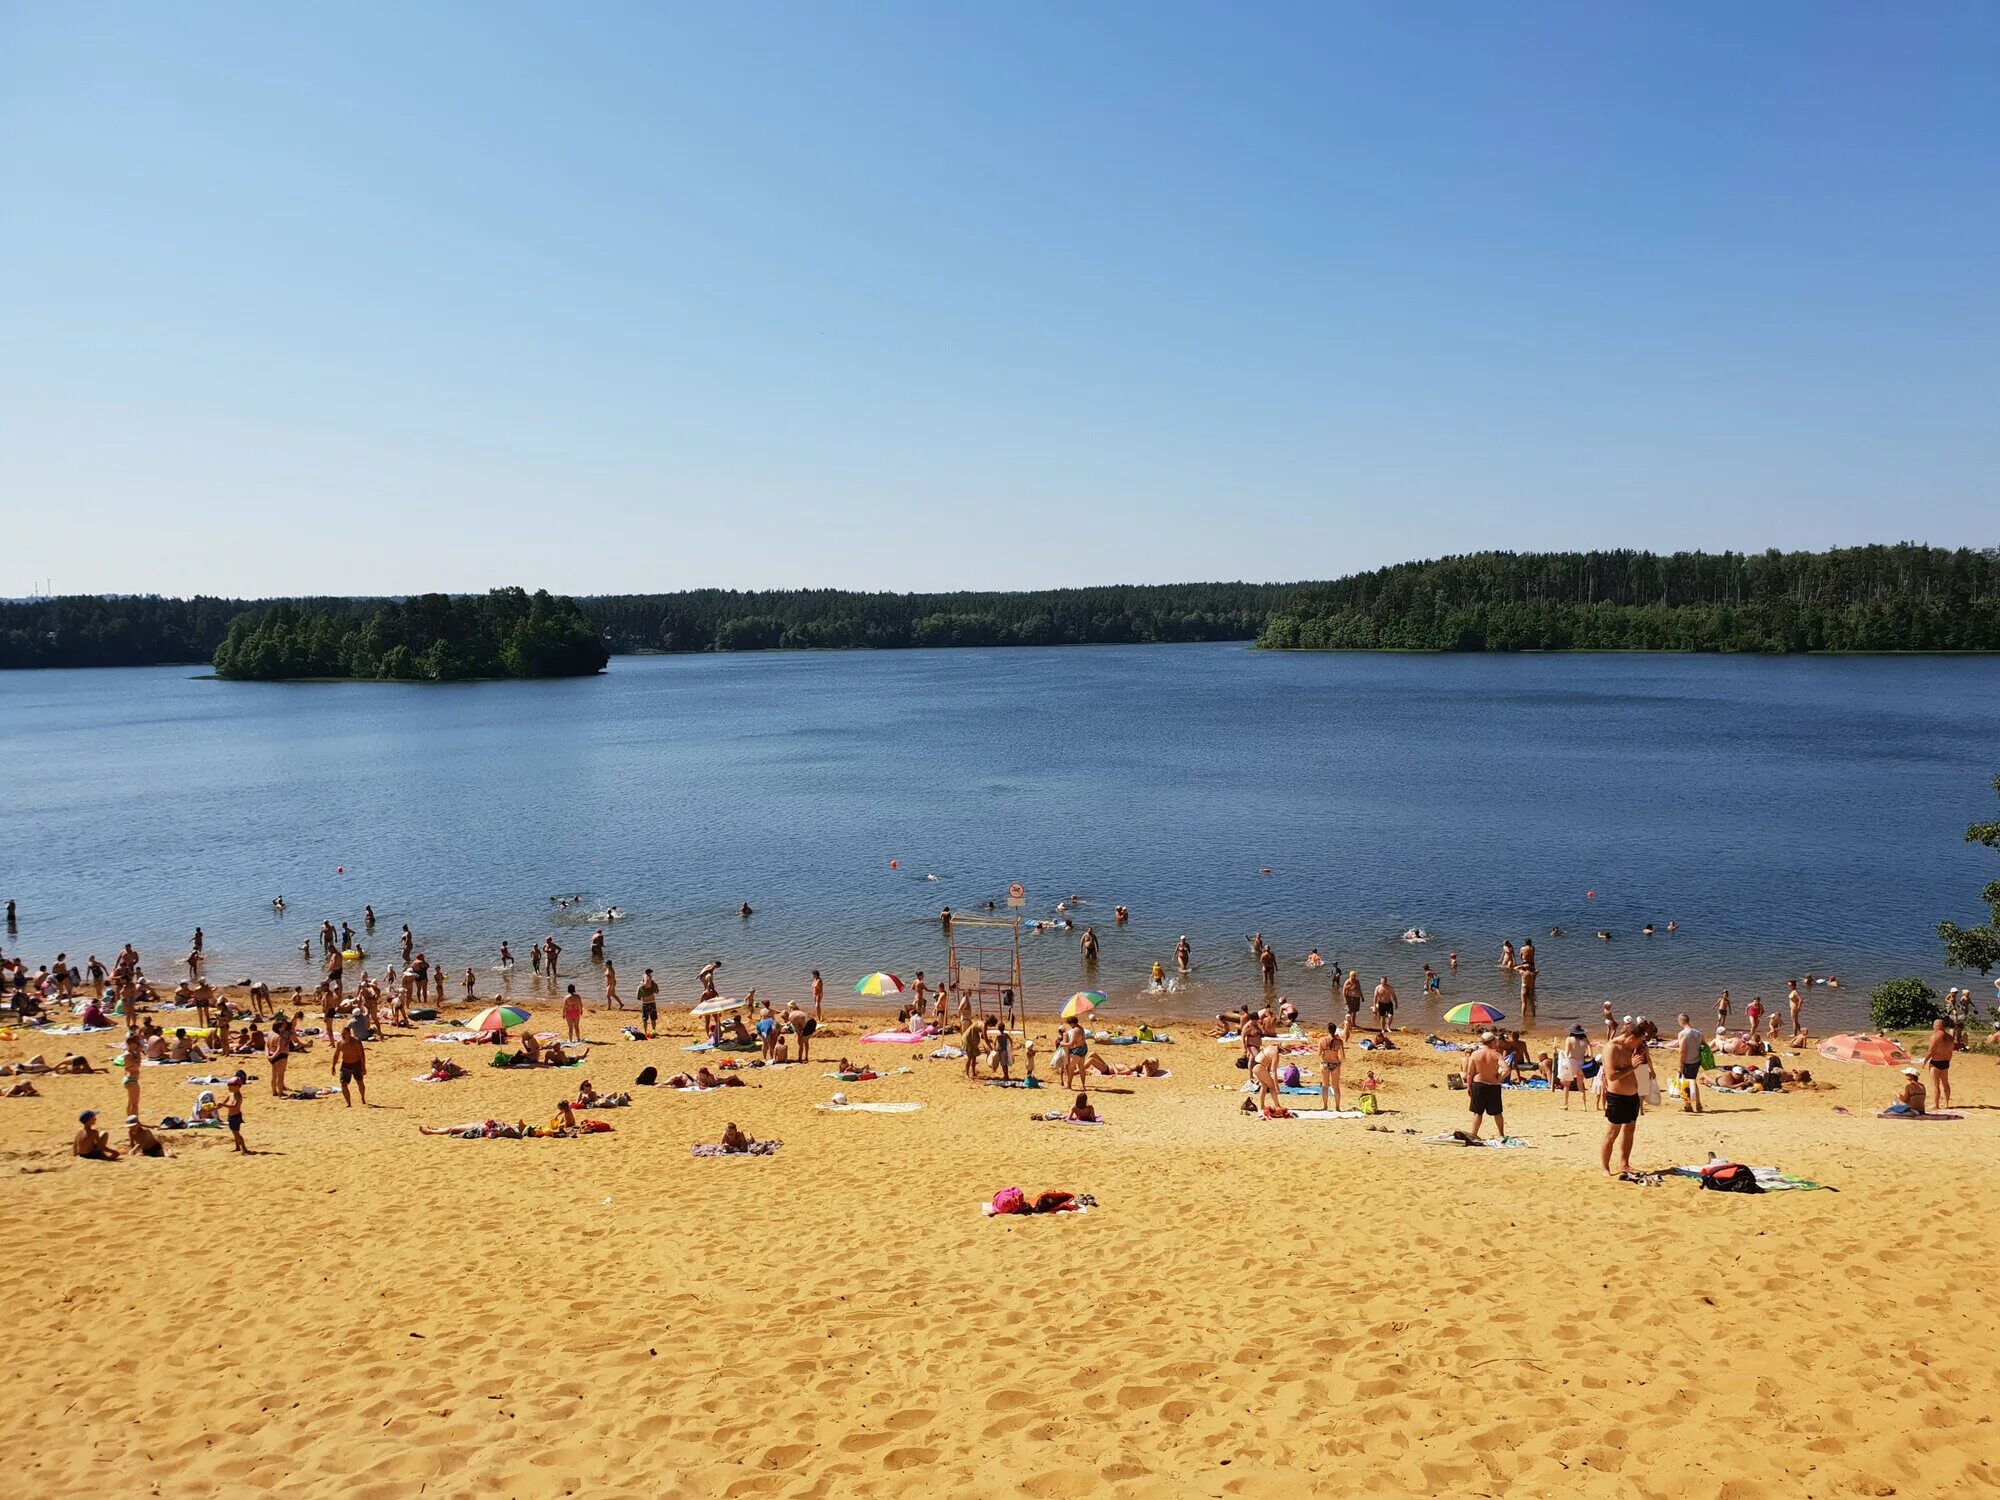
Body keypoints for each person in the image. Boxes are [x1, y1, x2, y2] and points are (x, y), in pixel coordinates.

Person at [1599, 1022, 1644, 1178]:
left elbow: (1641, 1066)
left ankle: (1624, 1163)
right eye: (1638, 1041)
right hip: (1617, 1096)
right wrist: (1632, 1067)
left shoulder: (1632, 1047)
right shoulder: (1612, 1048)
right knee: (1612, 1133)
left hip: (1632, 1095)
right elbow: (1611, 1075)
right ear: (1631, 1037)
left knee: (1630, 1129)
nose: (1639, 1044)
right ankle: (1605, 1167)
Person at [1463, 1031, 1506, 1140]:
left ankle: (1474, 1134)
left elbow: (1469, 1073)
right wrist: (1500, 1078)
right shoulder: (1496, 1055)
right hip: (1493, 1085)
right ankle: (1501, 1134)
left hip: (1479, 1085)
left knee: (1477, 1112)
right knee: (1497, 1113)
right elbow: (1507, 1069)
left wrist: (1469, 1086)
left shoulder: (1475, 1054)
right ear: (1492, 1042)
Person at [1674, 1012, 1705, 1114]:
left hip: (1687, 1062)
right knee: (1693, 1081)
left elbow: (1682, 1051)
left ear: (1681, 1021)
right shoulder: (1698, 1032)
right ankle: (1698, 1103)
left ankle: (1688, 1106)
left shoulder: (1683, 1034)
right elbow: (1704, 1045)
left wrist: (1680, 1065)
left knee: (1686, 1084)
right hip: (1696, 1061)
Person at [1555, 1025, 1591, 1109]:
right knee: (1581, 1086)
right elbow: (1590, 1054)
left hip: (1572, 1062)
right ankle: (1584, 1106)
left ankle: (1566, 1104)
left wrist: (1557, 1050)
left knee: (1567, 1085)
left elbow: (1566, 1053)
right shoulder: (1585, 1039)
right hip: (1581, 1063)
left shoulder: (1569, 1039)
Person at [1923, 1017, 1955, 1111]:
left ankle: (1936, 1104)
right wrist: (1948, 1060)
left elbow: (1930, 1051)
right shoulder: (1949, 1037)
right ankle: (1947, 1103)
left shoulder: (1935, 1037)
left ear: (1937, 1026)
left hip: (1936, 1062)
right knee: (1945, 1083)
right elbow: (1950, 1052)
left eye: (1934, 1025)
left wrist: (1925, 1061)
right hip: (1945, 1062)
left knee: (1935, 1085)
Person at [334, 1023, 368, 1108]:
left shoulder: (356, 1042)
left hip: (356, 1064)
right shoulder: (340, 1043)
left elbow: (362, 1055)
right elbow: (336, 1055)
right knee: (343, 1084)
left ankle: (363, 1098)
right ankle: (348, 1103)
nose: (343, 1035)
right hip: (345, 1065)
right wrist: (333, 1066)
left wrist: (363, 1067)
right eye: (342, 1034)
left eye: (344, 1033)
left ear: (349, 1033)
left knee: (360, 1082)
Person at [1317, 1024, 1345, 1112]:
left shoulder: (1322, 1040)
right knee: (1336, 1087)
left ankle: (1325, 1106)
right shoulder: (1339, 1041)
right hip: (1335, 1064)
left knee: (1325, 1086)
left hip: (1325, 1063)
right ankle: (1337, 1107)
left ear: (1328, 1030)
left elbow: (1319, 1054)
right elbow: (1343, 1056)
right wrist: (1339, 1062)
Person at [222, 1069, 249, 1153]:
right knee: (234, 1133)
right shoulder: (230, 1094)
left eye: (231, 1087)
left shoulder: (238, 1096)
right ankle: (237, 1147)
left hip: (236, 1117)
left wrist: (223, 1105)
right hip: (231, 1117)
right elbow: (224, 1102)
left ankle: (244, 1148)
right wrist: (215, 1107)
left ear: (237, 1087)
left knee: (237, 1133)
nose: (229, 1088)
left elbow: (234, 1106)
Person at [1341, 969, 1363, 1037]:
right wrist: (1345, 1000)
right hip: (1350, 998)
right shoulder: (1348, 982)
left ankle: (1353, 1024)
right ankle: (1348, 1025)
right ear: (1350, 976)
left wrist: (1362, 997)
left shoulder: (1357, 981)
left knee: (1355, 1012)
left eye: (1354, 976)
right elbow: (1344, 991)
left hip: (1357, 998)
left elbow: (1359, 989)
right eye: (1352, 976)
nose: (1353, 977)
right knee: (1349, 1012)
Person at [638, 968, 660, 1034]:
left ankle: (645, 1032)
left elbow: (639, 995)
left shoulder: (641, 986)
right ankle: (654, 1030)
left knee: (645, 1019)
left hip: (645, 1003)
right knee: (653, 1019)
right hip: (652, 1003)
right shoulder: (654, 984)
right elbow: (657, 992)